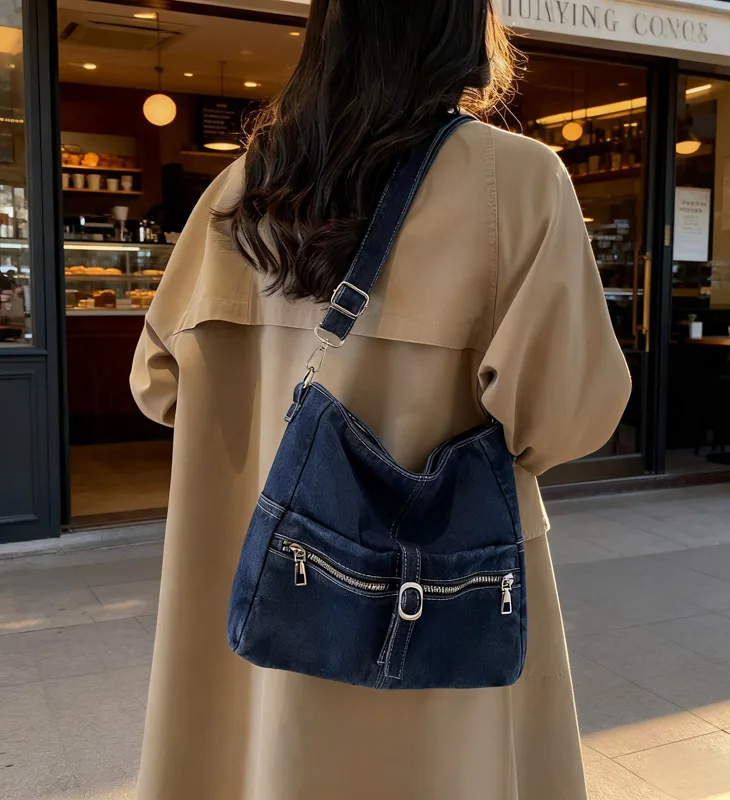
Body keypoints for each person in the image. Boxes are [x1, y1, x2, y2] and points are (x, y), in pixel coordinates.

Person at [130, 1, 631, 798]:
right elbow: (565, 419)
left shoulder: (238, 189)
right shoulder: (517, 182)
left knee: (256, 760)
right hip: (435, 606)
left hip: (253, 587)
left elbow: (157, 388)